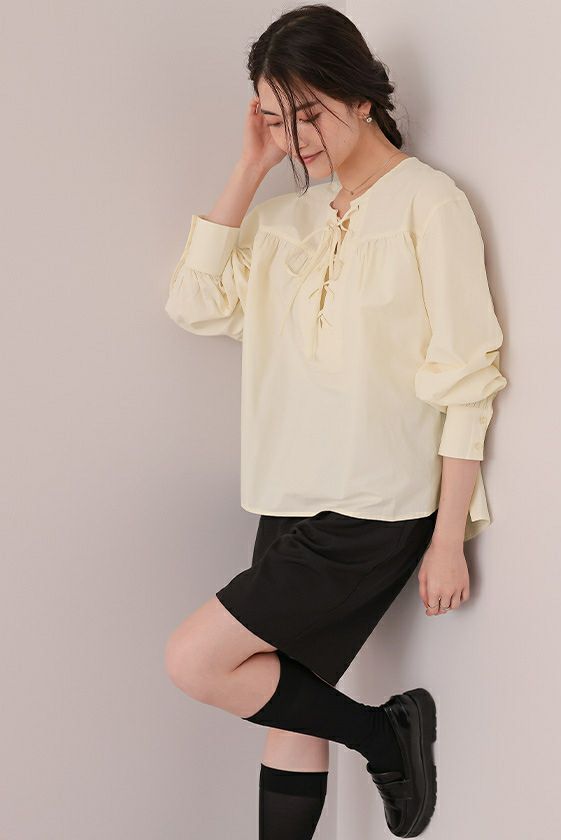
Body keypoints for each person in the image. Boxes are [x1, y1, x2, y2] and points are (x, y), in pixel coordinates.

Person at [163, 5, 507, 838]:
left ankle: (385, 735)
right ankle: (380, 735)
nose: (294, 138)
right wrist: (249, 167)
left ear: (360, 95)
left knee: (196, 661)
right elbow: (194, 304)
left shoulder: (429, 203)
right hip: (286, 492)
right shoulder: (288, 219)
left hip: (377, 503)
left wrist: (448, 535)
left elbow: (466, 376)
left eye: (307, 114)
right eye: (275, 119)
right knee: (290, 702)